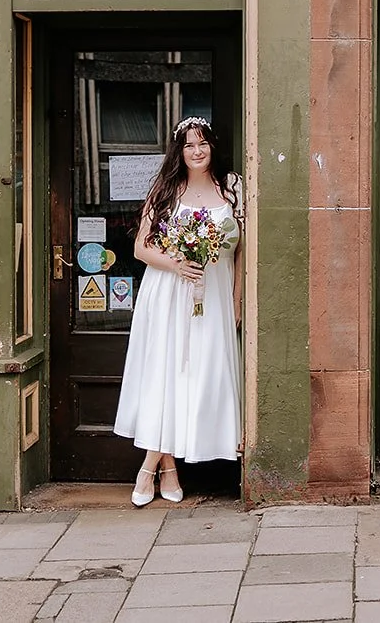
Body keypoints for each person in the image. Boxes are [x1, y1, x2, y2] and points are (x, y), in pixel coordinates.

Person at [116, 116, 243, 507]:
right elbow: (141, 248)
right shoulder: (167, 188)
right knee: (167, 376)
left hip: (215, 297)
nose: (197, 151)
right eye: (189, 145)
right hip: (169, 293)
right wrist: (176, 264)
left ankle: (158, 463)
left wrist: (237, 302)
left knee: (198, 377)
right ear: (180, 151)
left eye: (203, 143)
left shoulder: (234, 187)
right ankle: (158, 466)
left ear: (213, 146)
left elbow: (242, 253)